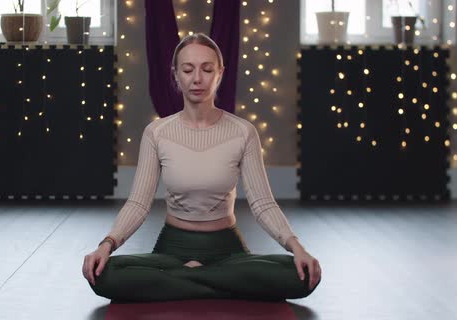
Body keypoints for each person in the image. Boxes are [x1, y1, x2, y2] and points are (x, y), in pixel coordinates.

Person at [82, 33, 322, 303]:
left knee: (301, 275)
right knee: (103, 274)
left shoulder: (244, 132)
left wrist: (297, 247)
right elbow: (138, 203)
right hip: (171, 247)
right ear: (175, 74)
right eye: (188, 69)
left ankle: (183, 281)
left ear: (220, 73)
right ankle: (222, 284)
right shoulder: (156, 133)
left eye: (207, 69)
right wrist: (106, 245)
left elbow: (263, 203)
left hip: (227, 249)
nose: (197, 78)